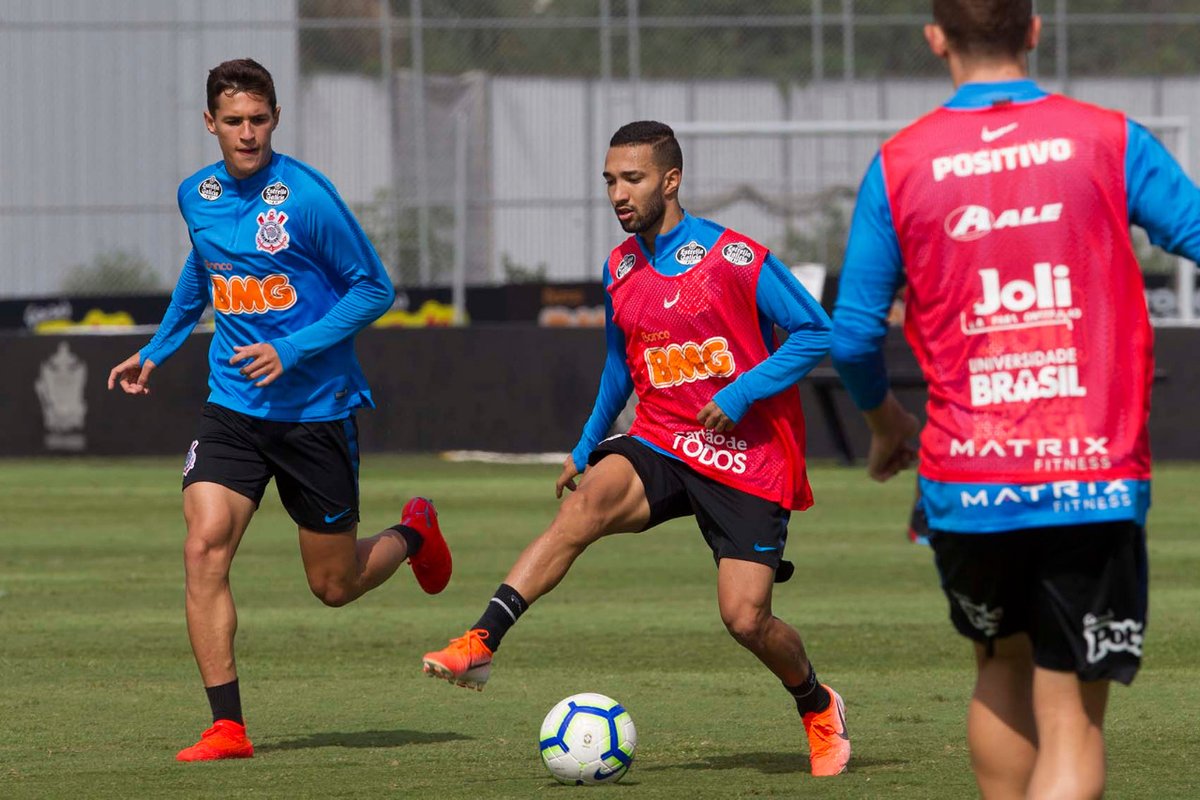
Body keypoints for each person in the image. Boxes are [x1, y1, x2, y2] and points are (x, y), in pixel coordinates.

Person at [832, 3, 1200, 797]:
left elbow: (854, 334)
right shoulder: (1109, 137)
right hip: (1092, 472)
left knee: (999, 666)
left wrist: (885, 422)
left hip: (967, 478)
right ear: (1033, 28)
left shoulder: (900, 162)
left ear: (936, 38)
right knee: (1070, 711)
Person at [421, 121, 851, 777]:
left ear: (671, 181)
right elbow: (619, 366)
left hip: (743, 455)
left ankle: (817, 703)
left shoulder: (732, 257)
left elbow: (816, 332)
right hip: (661, 437)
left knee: (746, 620)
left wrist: (739, 394)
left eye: (633, 179)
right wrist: (586, 443)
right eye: (611, 182)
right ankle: (480, 642)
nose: (619, 194)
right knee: (582, 509)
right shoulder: (621, 266)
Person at [106, 58, 453, 762]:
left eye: (258, 120)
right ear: (211, 123)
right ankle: (227, 727)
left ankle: (414, 532)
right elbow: (203, 270)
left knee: (334, 585)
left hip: (313, 413)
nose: (247, 133)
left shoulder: (305, 197)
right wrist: (158, 349)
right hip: (232, 408)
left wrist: (291, 350)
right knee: (202, 547)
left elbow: (374, 288)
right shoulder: (194, 195)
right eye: (232, 121)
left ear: (275, 119)